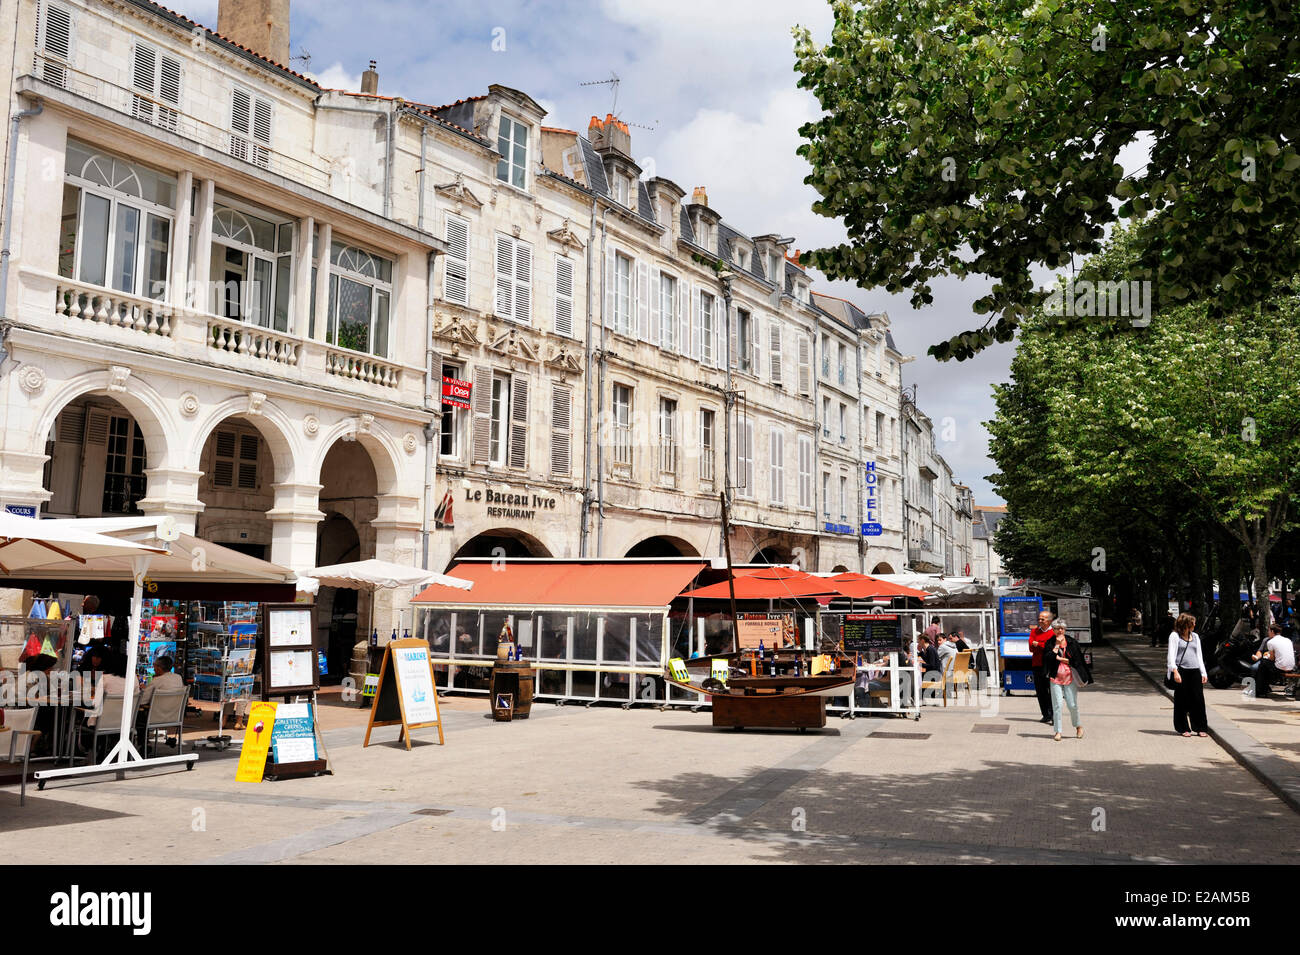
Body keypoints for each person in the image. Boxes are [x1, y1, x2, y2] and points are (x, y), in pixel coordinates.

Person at [1043, 618, 1091, 740]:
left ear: (1065, 629)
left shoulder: (1072, 642)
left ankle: (1078, 726)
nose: (1060, 631)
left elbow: (1077, 660)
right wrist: (1056, 645)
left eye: (1062, 628)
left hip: (1070, 677)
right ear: (1053, 630)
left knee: (1072, 704)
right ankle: (1058, 731)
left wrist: (1063, 660)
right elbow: (1047, 659)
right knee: (1057, 705)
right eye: (1057, 628)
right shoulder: (1050, 643)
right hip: (1055, 678)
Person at [1167, 612, 1209, 736]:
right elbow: (1171, 656)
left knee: (1198, 699)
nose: (1195, 625)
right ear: (1186, 624)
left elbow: (1199, 656)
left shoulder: (1195, 636)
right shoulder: (1175, 636)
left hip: (1195, 671)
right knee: (1182, 700)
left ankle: (1200, 727)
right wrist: (1175, 671)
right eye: (1193, 623)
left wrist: (1203, 672)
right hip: (1181, 671)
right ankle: (1183, 727)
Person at [1250, 624, 1296, 699]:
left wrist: (1267, 656)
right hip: (1291, 667)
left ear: (1272, 631)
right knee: (1265, 666)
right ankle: (1262, 690)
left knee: (1263, 665)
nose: (1268, 632)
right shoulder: (1288, 640)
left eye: (1269, 631)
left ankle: (1259, 691)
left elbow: (1271, 658)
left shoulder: (1271, 642)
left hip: (1280, 667)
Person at [1028, 609, 1055, 723]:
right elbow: (1031, 647)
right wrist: (1042, 646)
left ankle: (1054, 715)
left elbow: (1051, 648)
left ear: (1049, 621)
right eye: (1039, 619)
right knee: (1040, 691)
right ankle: (1045, 714)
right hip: (1037, 664)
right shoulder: (1034, 631)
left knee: (1052, 691)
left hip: (1050, 665)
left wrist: (1038, 644)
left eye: (1042, 619)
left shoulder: (1053, 632)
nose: (1040, 621)